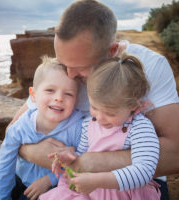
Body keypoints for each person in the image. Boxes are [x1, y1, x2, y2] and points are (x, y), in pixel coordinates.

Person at [7, 0, 179, 199]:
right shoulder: (69, 66)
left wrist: (88, 162)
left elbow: (178, 155)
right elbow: (12, 131)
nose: (68, 75)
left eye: (80, 67)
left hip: (129, 185)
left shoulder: (150, 67)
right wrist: (30, 152)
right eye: (63, 63)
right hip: (59, 176)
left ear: (112, 51)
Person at [40, 52, 161, 200]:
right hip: (91, 192)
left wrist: (97, 181)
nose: (100, 118)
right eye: (94, 107)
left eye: (110, 113)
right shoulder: (89, 124)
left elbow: (143, 172)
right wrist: (71, 159)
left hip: (124, 193)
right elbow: (82, 157)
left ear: (133, 105)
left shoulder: (139, 127)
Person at [0, 56, 84, 200]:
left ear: (76, 101)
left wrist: (49, 180)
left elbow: (81, 166)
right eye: (50, 90)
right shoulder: (21, 126)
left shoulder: (78, 128)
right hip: (18, 178)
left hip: (53, 187)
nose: (59, 98)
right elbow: (5, 164)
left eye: (68, 94)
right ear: (33, 95)